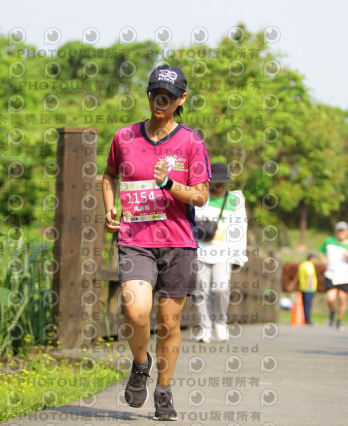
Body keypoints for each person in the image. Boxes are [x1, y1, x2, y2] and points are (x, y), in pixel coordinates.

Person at [102, 64, 210, 421]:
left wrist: (168, 186)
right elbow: (109, 175)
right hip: (135, 238)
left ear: (181, 99)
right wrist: (109, 208)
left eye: (167, 95)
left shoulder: (191, 142)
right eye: (153, 93)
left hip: (178, 243)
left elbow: (200, 196)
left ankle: (163, 390)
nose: (158, 100)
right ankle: (140, 364)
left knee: (168, 322)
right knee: (135, 309)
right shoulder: (124, 137)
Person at [193, 162, 248, 342]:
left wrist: (239, 256)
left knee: (220, 289)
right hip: (201, 251)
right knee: (201, 291)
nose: (218, 186)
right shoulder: (200, 197)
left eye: (221, 183)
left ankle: (220, 322)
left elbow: (241, 228)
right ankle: (205, 328)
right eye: (214, 182)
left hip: (223, 253)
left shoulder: (235, 200)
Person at [318, 221, 348, 331]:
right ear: (336, 232)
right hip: (330, 274)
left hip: (344, 276)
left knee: (342, 298)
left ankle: (339, 321)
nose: (341, 233)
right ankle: (332, 313)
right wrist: (323, 259)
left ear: (347, 232)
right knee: (330, 298)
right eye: (339, 230)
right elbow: (320, 252)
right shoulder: (329, 241)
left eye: (343, 231)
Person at [297, 253, 318, 325]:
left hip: (302, 287)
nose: (316, 261)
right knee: (308, 305)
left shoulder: (302, 264)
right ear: (311, 259)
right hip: (309, 288)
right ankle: (307, 319)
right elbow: (309, 275)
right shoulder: (310, 265)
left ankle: (305, 318)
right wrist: (309, 286)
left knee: (304, 304)